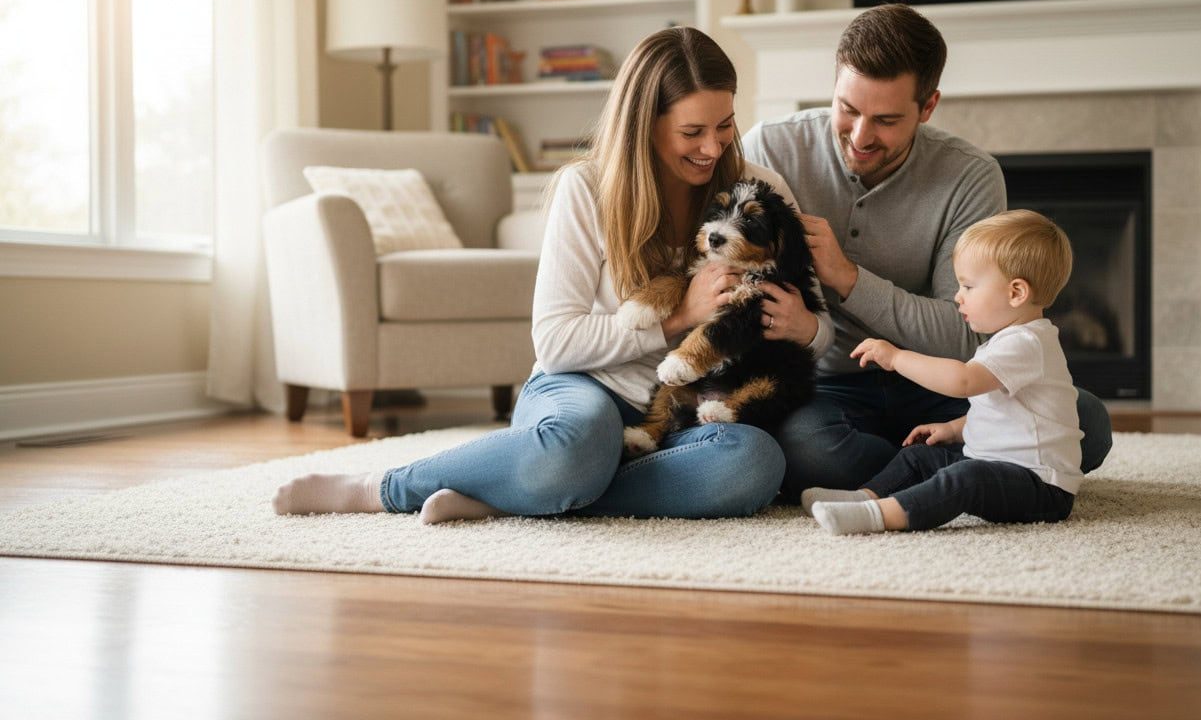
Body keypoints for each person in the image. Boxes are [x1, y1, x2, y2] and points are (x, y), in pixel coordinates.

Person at [272, 26, 833, 523]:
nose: (713, 147)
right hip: (583, 389)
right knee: (575, 447)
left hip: (680, 414)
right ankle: (388, 487)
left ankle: (519, 492)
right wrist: (679, 318)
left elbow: (820, 328)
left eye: (725, 125)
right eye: (692, 132)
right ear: (645, 124)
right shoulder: (585, 189)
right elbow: (556, 341)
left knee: (753, 464)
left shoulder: (758, 191)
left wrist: (805, 327)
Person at [740, 3, 1111, 501]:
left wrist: (848, 278)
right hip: (828, 386)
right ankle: (964, 471)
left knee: (1086, 420)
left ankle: (914, 473)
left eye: (886, 120)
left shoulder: (969, 176)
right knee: (811, 449)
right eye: (848, 109)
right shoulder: (771, 149)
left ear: (928, 106)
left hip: (941, 382)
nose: (860, 136)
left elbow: (966, 334)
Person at [803, 209, 1082, 534]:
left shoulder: (1026, 343)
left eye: (968, 286)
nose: (957, 296)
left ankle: (879, 516)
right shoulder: (1008, 340)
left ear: (1016, 293)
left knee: (965, 479)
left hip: (1040, 486)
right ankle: (862, 497)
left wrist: (897, 358)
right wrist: (952, 429)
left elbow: (962, 381)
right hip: (993, 467)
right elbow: (1003, 413)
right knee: (919, 458)